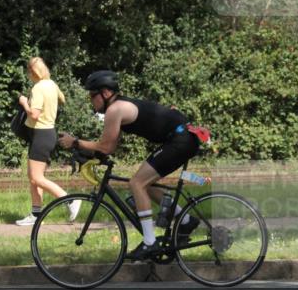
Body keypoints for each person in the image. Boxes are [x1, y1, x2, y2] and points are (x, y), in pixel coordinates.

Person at [58, 70, 201, 260]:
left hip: (180, 139)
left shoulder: (115, 110)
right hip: (182, 137)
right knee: (143, 184)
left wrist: (75, 142)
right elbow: (109, 146)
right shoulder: (118, 107)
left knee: (137, 183)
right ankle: (186, 220)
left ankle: (149, 242)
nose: (90, 100)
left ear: (105, 93)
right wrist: (93, 155)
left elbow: (106, 146)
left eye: (92, 96)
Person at [14, 57, 73, 226]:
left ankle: (69, 200)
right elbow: (62, 99)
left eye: (29, 72)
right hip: (47, 133)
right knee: (33, 177)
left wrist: (25, 103)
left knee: (36, 177)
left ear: (33, 72)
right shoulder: (52, 84)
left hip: (41, 134)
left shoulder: (38, 88)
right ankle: (36, 214)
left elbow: (34, 114)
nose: (29, 76)